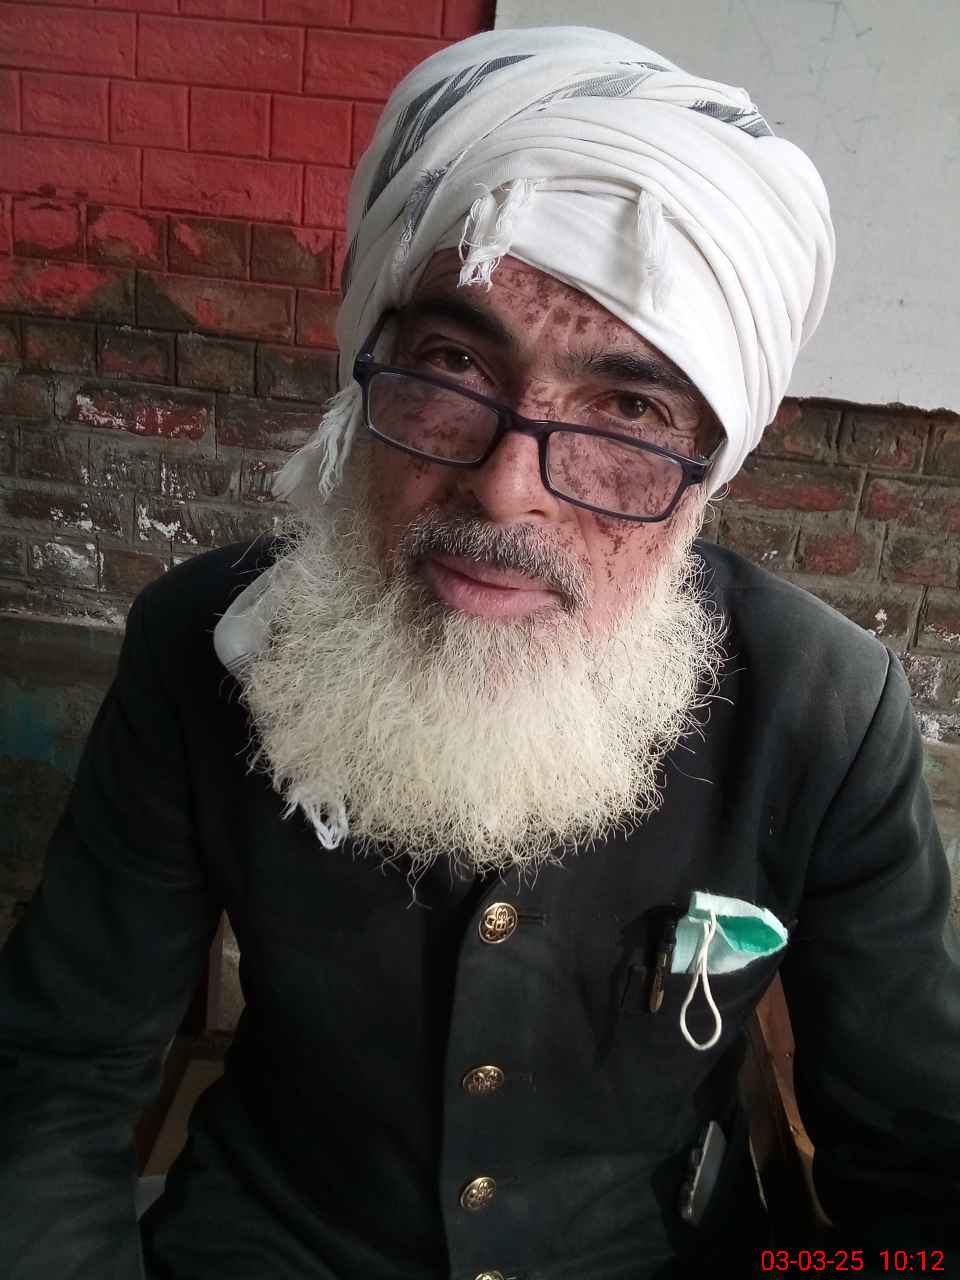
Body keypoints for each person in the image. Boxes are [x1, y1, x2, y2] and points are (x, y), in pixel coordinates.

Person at [1, 25, 958, 1280]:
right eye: (453, 364)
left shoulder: (822, 706)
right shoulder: (204, 647)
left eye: (628, 409)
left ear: (707, 467)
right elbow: (54, 1084)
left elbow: (921, 1165)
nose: (508, 488)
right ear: (370, 371)